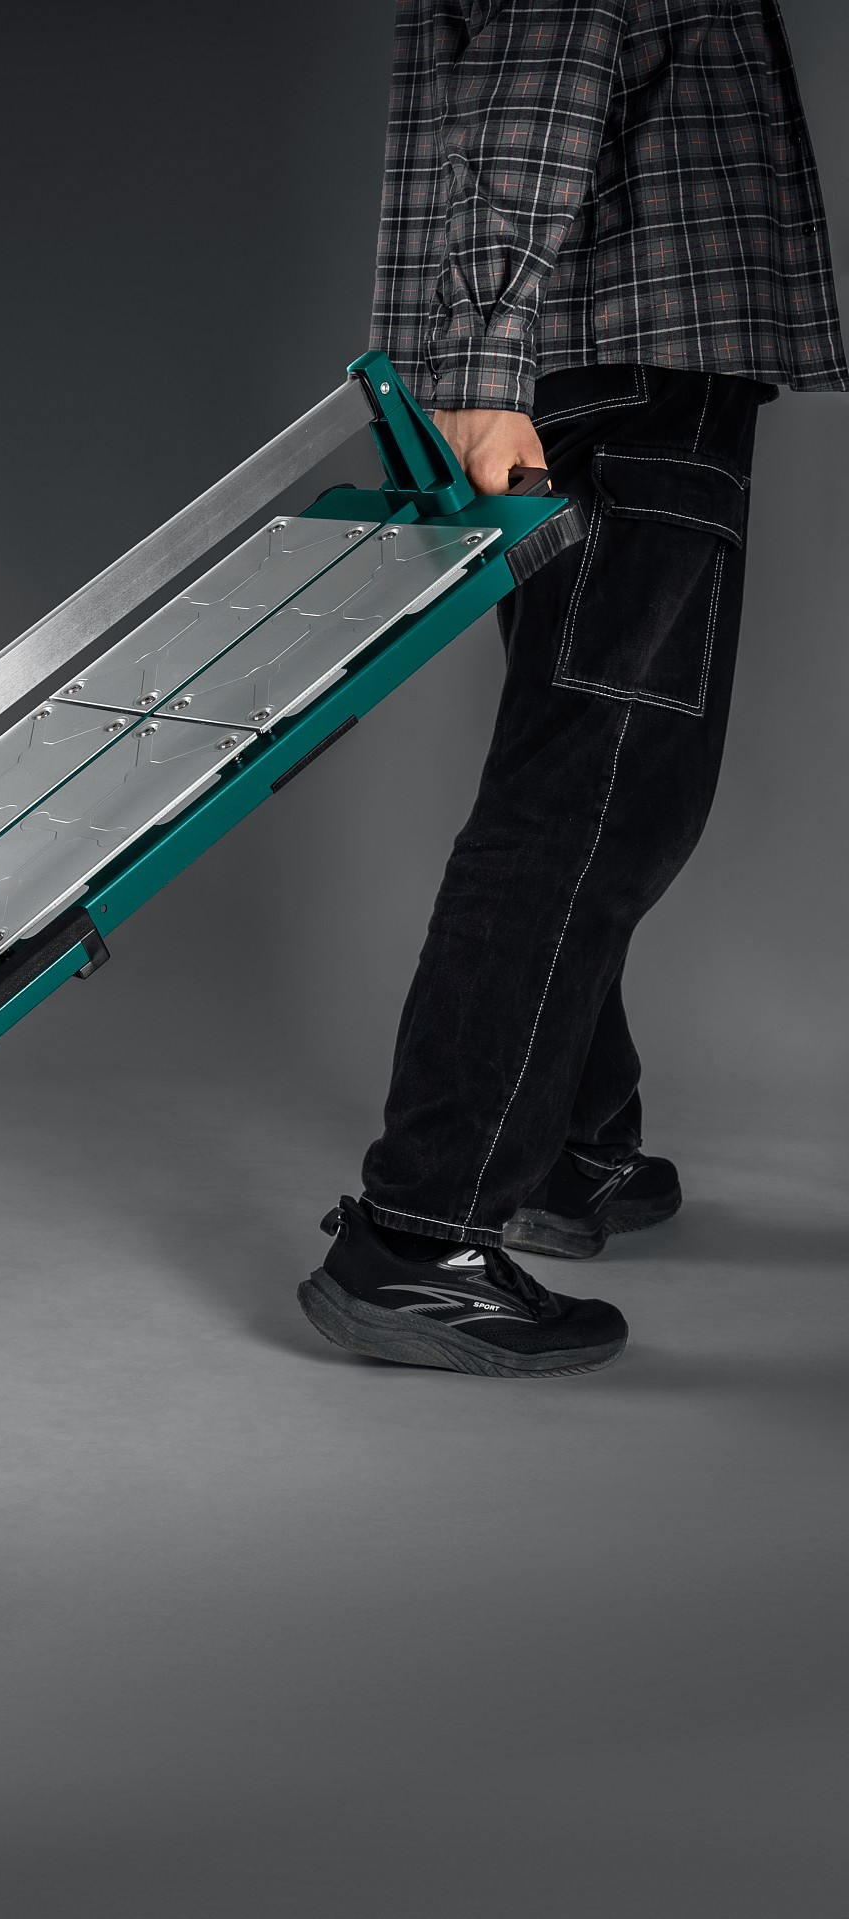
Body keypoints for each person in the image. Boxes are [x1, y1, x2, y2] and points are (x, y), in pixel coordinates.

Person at [298, 1, 846, 1377]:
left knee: (579, 771)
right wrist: (486, 365)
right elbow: (535, 76)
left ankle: (567, 1150)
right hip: (625, 359)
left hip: (598, 358)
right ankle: (419, 1237)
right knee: (596, 801)